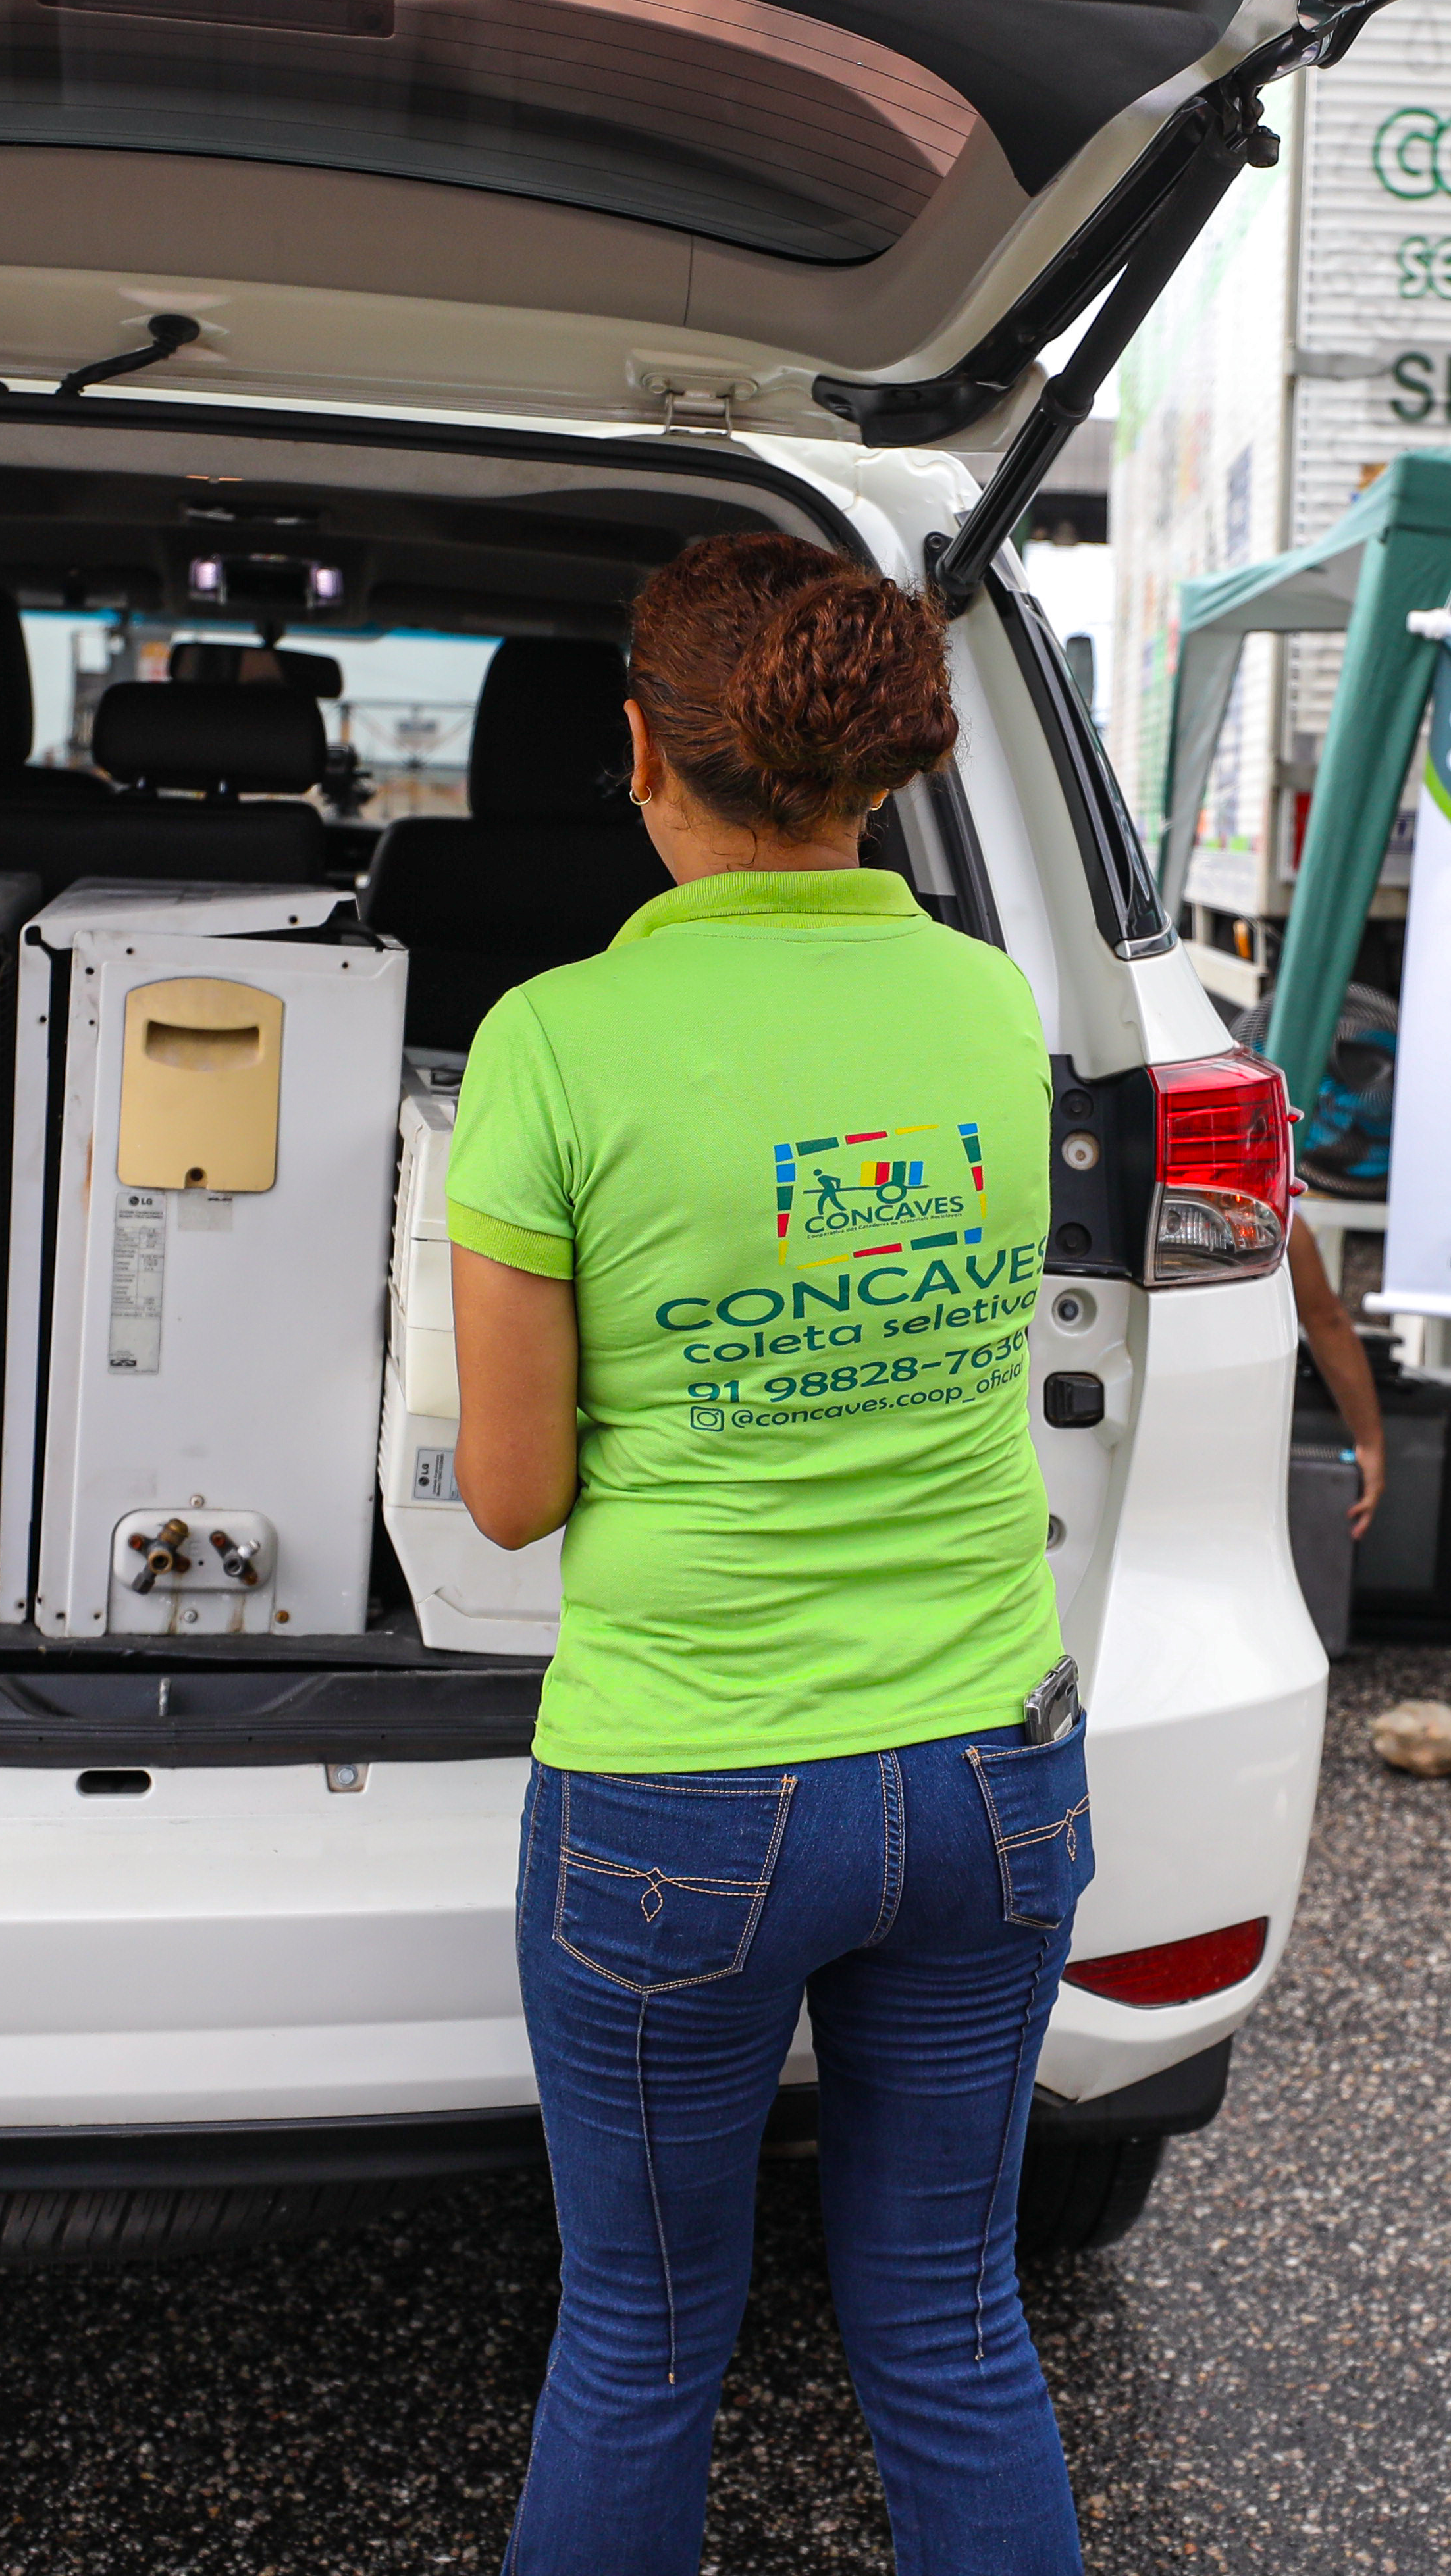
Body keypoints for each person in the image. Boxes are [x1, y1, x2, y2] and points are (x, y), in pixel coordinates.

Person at [443, 532, 1088, 2576]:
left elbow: (512, 1489)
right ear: (874, 767)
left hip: (684, 1791)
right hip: (991, 1768)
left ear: (636, 749)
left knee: (640, 2340)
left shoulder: (552, 1041)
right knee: (953, 2312)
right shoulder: (991, 1005)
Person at [1288, 1214, 1388, 1537]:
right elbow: (1324, 1322)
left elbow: (1326, 1323)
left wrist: (1370, 1442)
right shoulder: (1262, 1211)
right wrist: (1369, 1442)